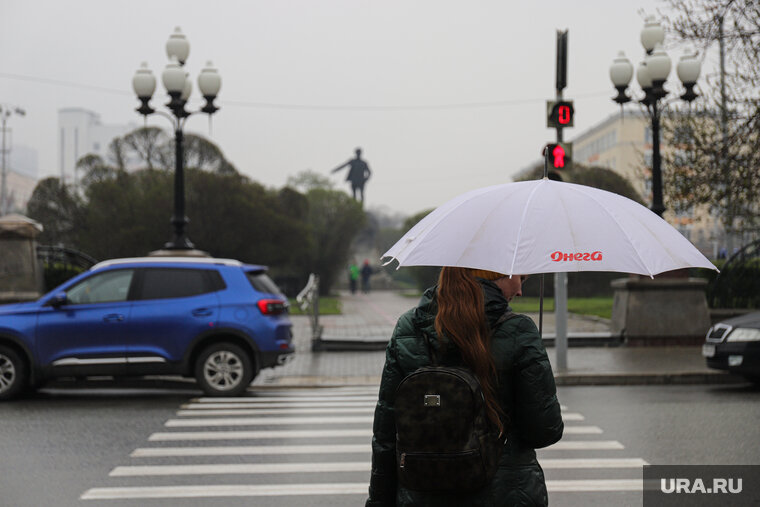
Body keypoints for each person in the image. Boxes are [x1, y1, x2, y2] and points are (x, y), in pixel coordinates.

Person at [366, 267, 564, 506]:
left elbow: (386, 435)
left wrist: (378, 501)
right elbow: (544, 431)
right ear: (491, 273)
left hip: (422, 493)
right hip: (506, 493)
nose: (520, 290)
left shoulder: (408, 328)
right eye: (520, 278)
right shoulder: (519, 331)